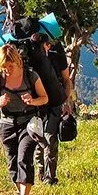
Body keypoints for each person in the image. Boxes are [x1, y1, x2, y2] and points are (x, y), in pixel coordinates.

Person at [0, 43, 48, 195]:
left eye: (10, 66)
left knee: (23, 157)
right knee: (12, 164)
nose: (7, 70)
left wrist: (32, 101)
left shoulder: (31, 76)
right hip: (7, 124)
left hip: (28, 122)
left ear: (17, 61)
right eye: (4, 66)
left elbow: (44, 98)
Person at [36, 35, 74, 185]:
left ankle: (49, 177)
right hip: (37, 105)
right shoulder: (31, 60)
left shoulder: (57, 57)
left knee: (50, 140)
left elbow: (66, 80)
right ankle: (42, 173)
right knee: (40, 140)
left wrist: (66, 100)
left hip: (54, 104)